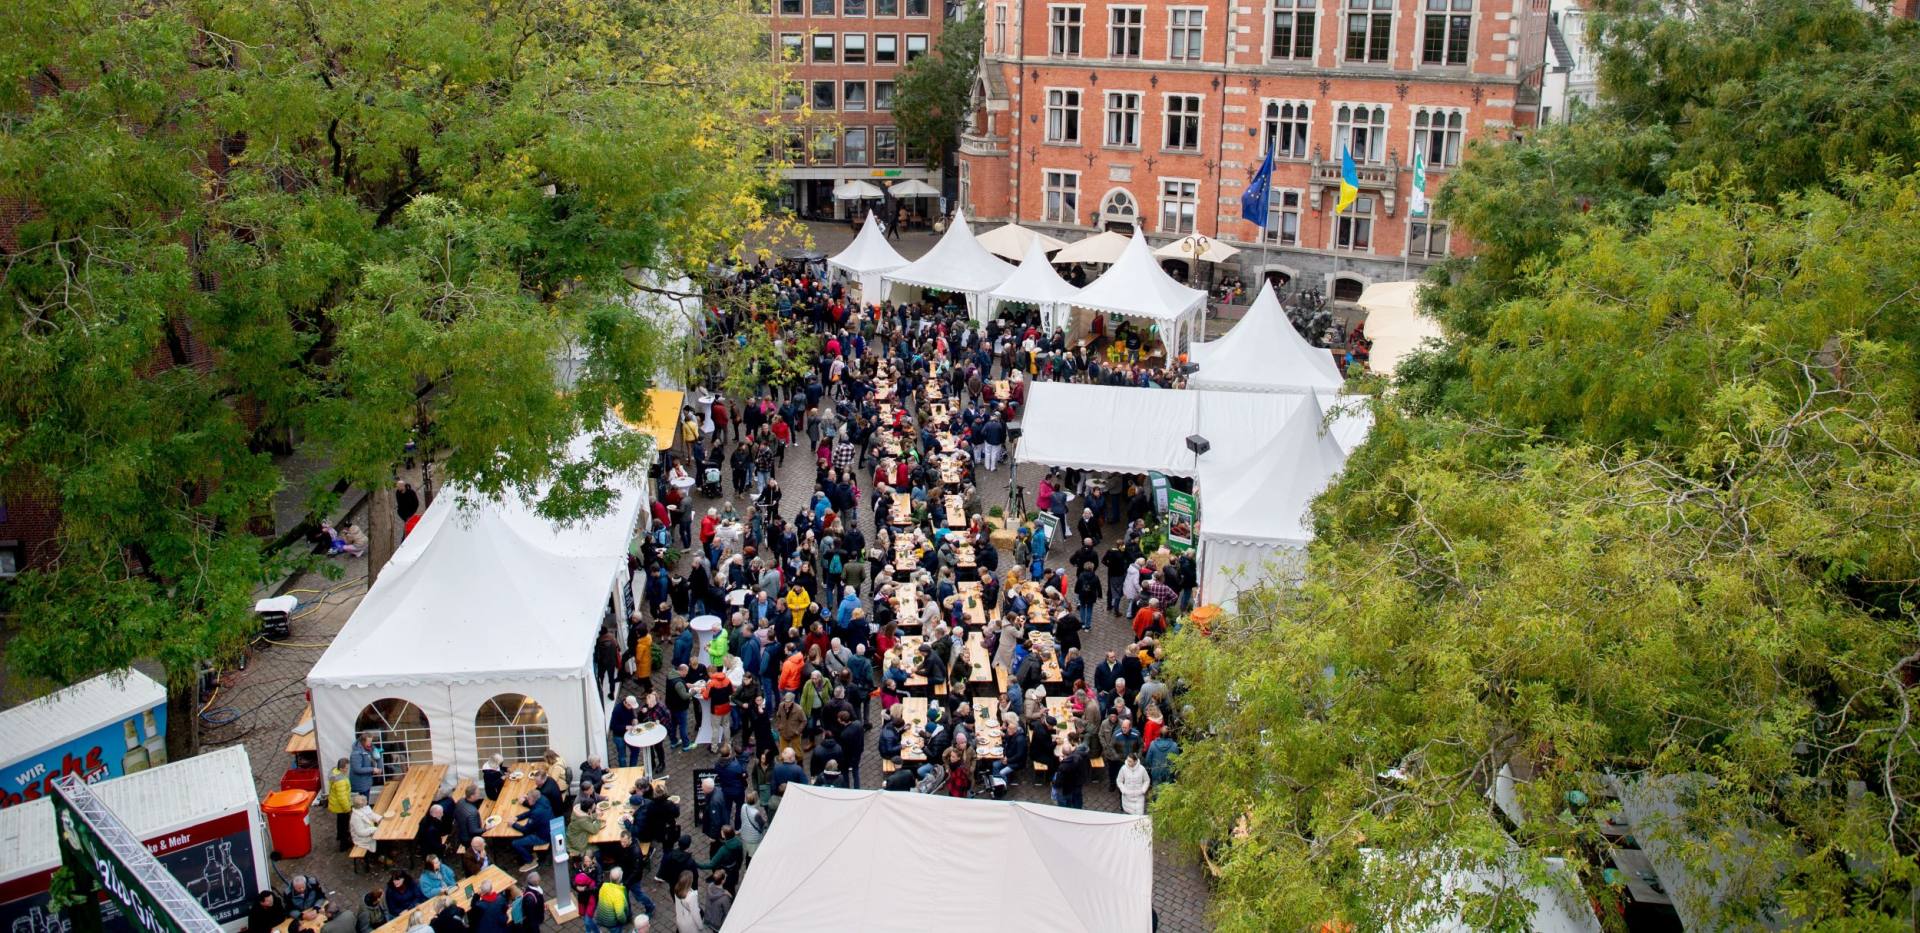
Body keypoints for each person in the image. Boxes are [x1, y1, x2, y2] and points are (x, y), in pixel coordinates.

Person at [509, 790, 554, 872]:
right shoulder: (543, 799)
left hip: (543, 837)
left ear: (533, 800)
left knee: (515, 843)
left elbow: (525, 830)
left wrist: (513, 824)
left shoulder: (536, 813)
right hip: (550, 828)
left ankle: (530, 861)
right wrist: (518, 817)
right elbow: (531, 812)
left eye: (528, 799)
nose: (526, 801)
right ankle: (530, 852)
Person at [326, 758, 355, 852]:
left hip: (336, 805)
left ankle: (339, 836)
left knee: (340, 822)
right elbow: (342, 797)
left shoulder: (335, 773)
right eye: (346, 768)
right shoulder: (341, 781)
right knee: (344, 825)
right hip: (341, 806)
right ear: (342, 768)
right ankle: (344, 844)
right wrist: (347, 809)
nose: (347, 769)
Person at [348, 793, 383, 857]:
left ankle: (385, 853)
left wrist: (380, 819)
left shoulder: (364, 808)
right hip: (361, 839)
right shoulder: (355, 817)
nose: (367, 802)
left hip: (369, 831)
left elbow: (371, 815)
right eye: (365, 801)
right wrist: (374, 829)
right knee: (380, 838)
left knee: (381, 835)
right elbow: (361, 832)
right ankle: (378, 857)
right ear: (361, 804)